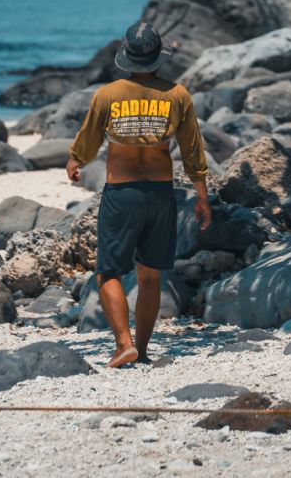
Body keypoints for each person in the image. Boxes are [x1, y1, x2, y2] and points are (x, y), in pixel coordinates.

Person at [67, 20, 211, 368]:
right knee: (150, 277)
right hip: (161, 195)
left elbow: (89, 138)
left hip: (123, 193)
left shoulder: (108, 95)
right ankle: (142, 351)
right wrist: (202, 196)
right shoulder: (176, 94)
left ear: (126, 58)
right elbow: (192, 148)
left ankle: (123, 344)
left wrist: (75, 160)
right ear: (158, 59)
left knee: (108, 273)